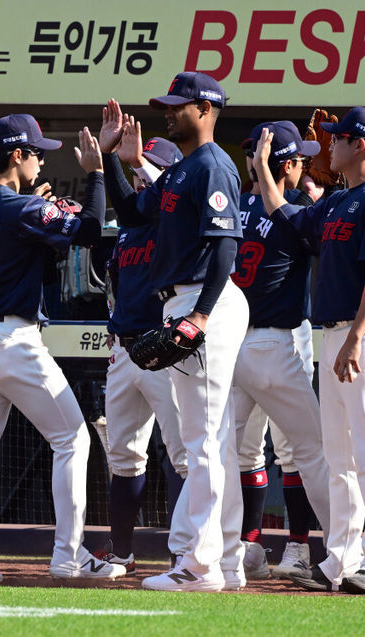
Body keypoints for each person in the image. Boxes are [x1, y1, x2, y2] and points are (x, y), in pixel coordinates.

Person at [0, 114, 125, 584]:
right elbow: (86, 230)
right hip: (12, 339)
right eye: (36, 152)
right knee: (73, 439)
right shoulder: (16, 206)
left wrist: (34, 220)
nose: (41, 160)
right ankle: (69, 555)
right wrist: (98, 172)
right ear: (16, 155)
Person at [256, 108, 365, 594]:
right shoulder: (342, 197)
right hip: (334, 334)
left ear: (359, 145)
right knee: (339, 455)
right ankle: (340, 558)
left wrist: (358, 336)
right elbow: (291, 221)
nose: (328, 145)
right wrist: (262, 170)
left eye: (338, 138)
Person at [110, 71, 249, 593]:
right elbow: (129, 212)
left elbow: (225, 248)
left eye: (179, 105)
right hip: (186, 300)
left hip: (202, 299)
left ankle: (202, 564)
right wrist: (112, 159)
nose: (168, 112)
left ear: (206, 109)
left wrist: (203, 315)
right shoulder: (180, 171)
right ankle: (223, 559)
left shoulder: (213, 164)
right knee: (211, 439)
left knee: (203, 441)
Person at [230, 121, 331, 580]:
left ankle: (234, 550)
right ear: (286, 165)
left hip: (231, 344)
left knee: (232, 452)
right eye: (299, 161)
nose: (304, 167)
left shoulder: (229, 205)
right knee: (309, 451)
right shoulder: (295, 209)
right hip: (274, 343)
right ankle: (341, 549)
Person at [94, 100, 187, 574]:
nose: (139, 178)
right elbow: (113, 283)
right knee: (123, 455)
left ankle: (183, 556)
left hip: (166, 348)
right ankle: (122, 553)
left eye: (148, 169)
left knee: (182, 455)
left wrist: (136, 164)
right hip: (127, 348)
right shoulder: (131, 226)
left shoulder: (175, 220)